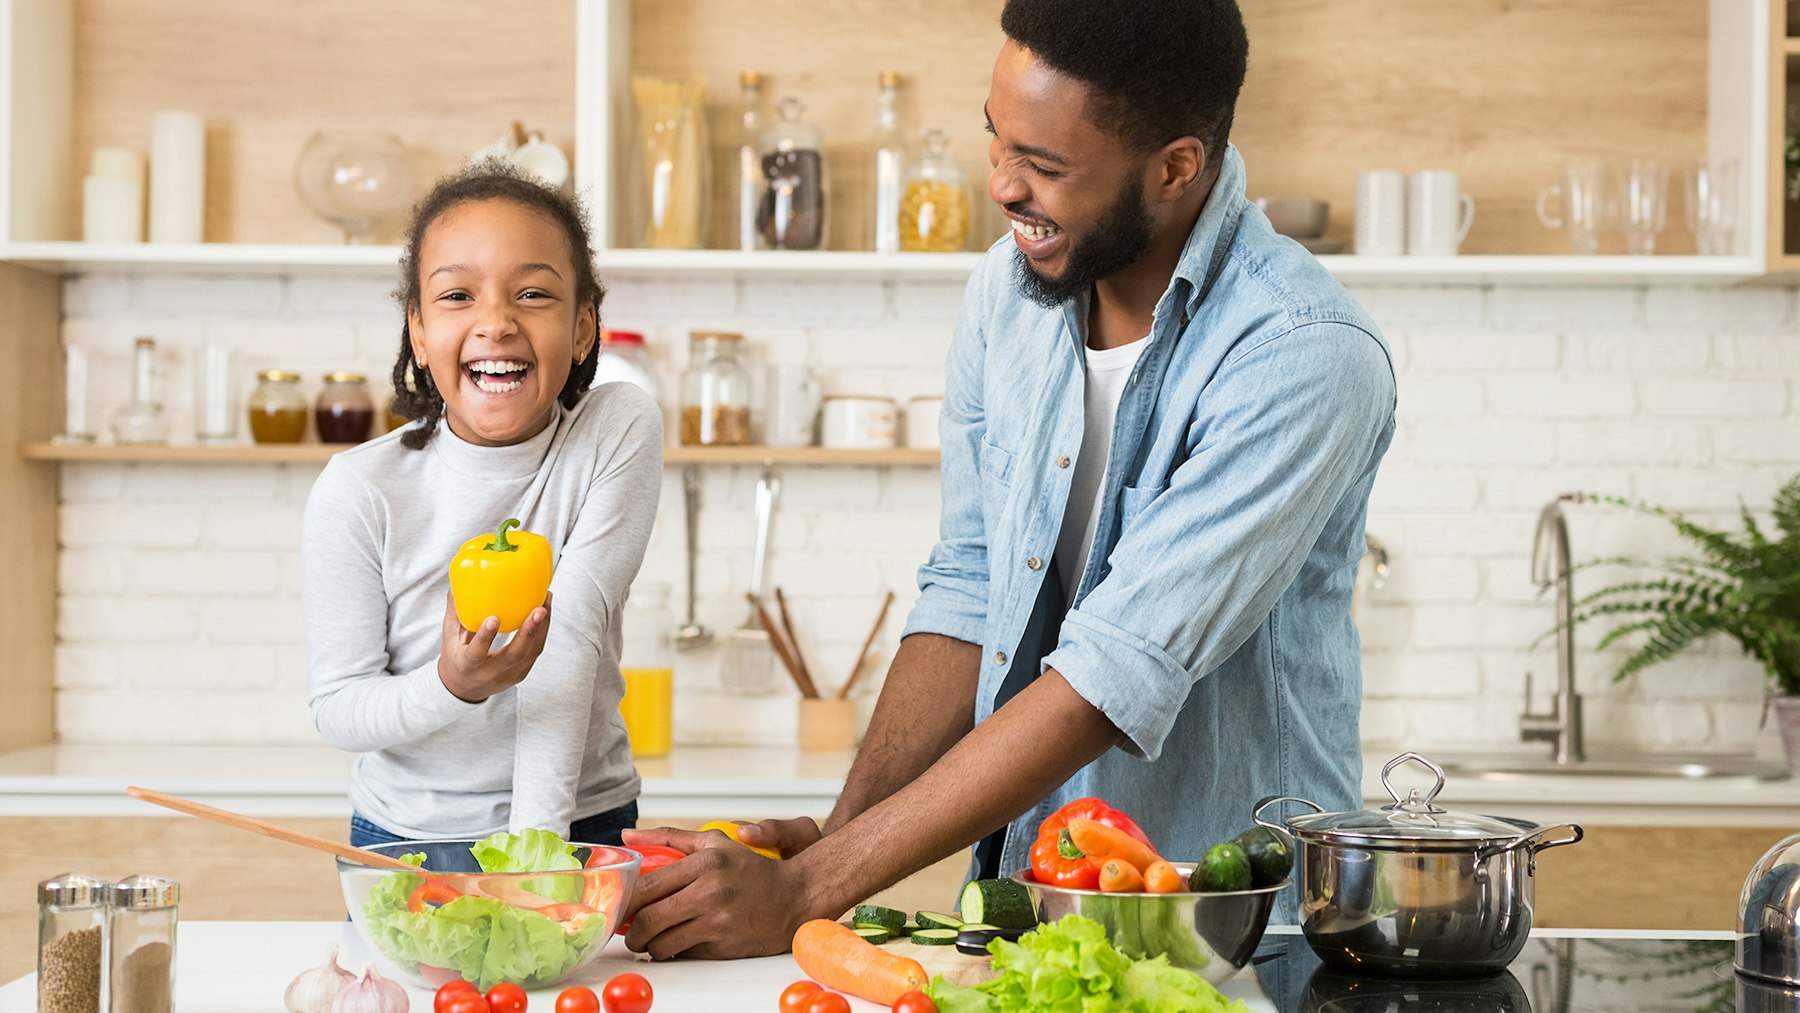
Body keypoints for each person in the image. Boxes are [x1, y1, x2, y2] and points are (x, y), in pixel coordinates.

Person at [621, 0, 1396, 959]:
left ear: (1175, 167)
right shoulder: (1009, 293)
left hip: (1236, 937)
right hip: (1033, 915)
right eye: (999, 141)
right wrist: (829, 844)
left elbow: (1113, 673)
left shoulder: (1301, 355)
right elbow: (973, 588)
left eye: (1045, 167)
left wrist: (814, 885)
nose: (1000, 186)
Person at [302, 163, 662, 849]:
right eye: (458, 295)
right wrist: (451, 685)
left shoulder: (615, 430)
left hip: (576, 825)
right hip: (407, 837)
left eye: (532, 293)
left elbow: (570, 633)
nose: (495, 322)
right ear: (417, 329)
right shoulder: (358, 488)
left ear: (584, 326)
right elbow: (340, 710)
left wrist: (534, 865)